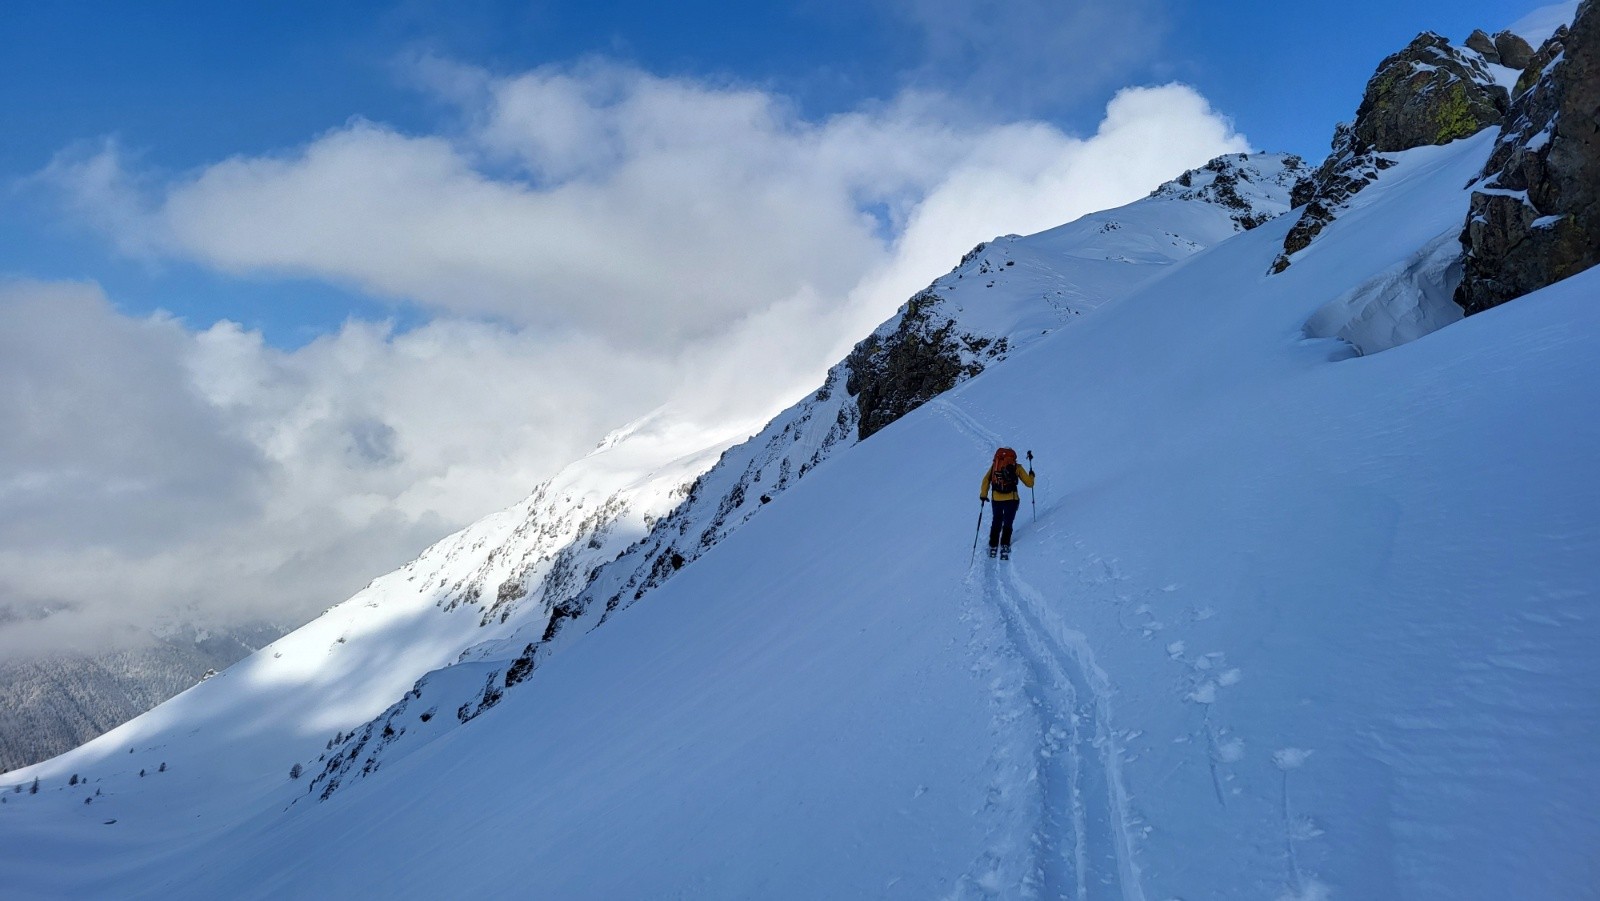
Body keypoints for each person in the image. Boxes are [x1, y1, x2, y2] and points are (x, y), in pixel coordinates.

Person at [980, 447, 1034, 560]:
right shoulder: (1017, 467)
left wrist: (983, 495)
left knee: (997, 520)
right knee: (1008, 522)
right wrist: (1032, 475)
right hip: (1012, 498)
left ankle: (993, 545)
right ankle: (1005, 544)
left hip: (996, 498)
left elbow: (986, 480)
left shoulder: (995, 466)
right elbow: (1029, 484)